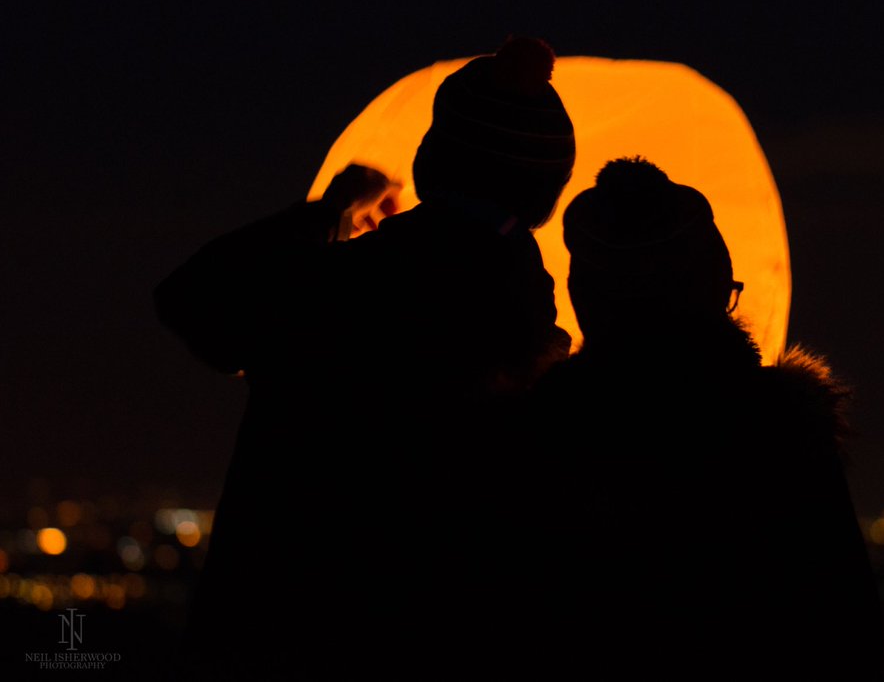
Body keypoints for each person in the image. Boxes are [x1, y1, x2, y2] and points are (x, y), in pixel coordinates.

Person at [154, 36, 576, 678]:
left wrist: (327, 214)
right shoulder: (536, 348)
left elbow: (191, 298)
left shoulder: (323, 291)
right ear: (548, 195)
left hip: (273, 644)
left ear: (431, 161)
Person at [514, 157, 884, 679]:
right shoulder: (781, 429)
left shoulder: (539, 439)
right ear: (710, 291)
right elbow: (845, 628)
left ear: (586, 301)